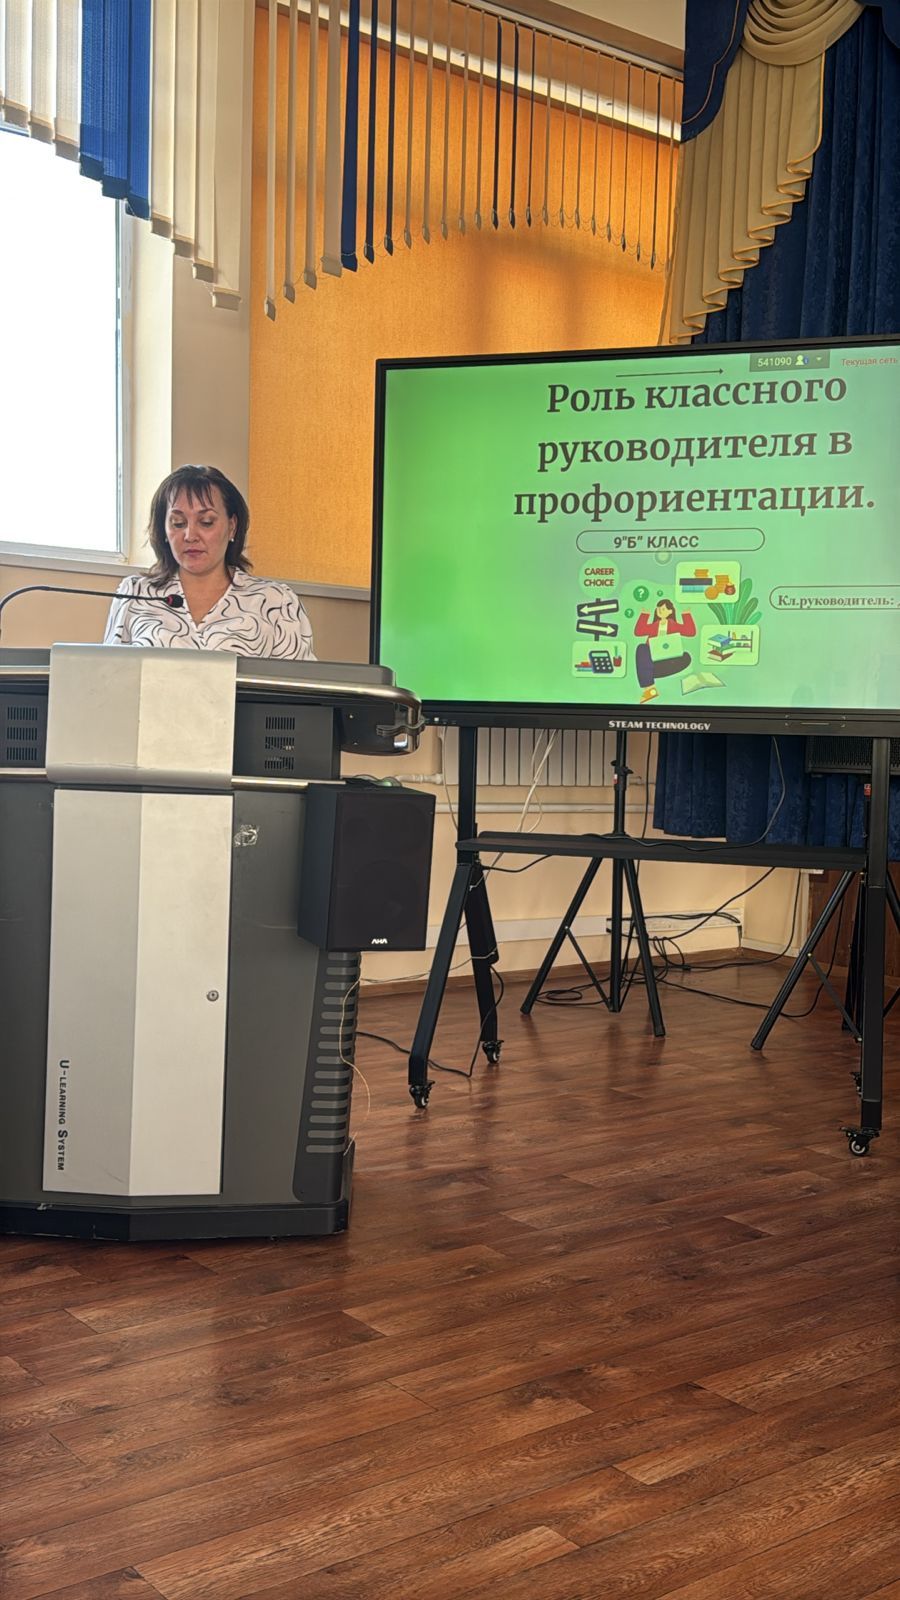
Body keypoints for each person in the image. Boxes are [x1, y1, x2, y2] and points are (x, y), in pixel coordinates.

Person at [103, 465, 315, 659]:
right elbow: (107, 677)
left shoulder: (276, 602)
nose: (190, 536)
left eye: (206, 522)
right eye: (178, 523)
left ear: (232, 527)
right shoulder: (134, 594)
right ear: (164, 530)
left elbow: (297, 686)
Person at [633, 597, 695, 703]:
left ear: (670, 611)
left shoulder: (673, 625)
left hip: (669, 661)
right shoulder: (654, 625)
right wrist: (644, 615)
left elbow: (690, 632)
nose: (660, 611)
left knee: (686, 656)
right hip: (652, 661)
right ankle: (649, 689)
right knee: (642, 648)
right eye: (658, 609)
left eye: (663, 609)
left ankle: (648, 674)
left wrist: (686, 615)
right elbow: (638, 631)